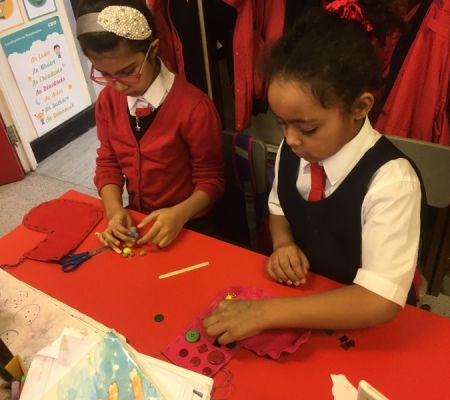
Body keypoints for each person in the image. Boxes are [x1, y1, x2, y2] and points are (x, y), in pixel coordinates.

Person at [203, 6, 422, 345]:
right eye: (282, 123)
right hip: (305, 298)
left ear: (360, 107)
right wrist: (283, 244)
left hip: (364, 323)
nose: (290, 139)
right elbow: (279, 206)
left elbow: (378, 300)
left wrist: (265, 313)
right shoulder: (296, 149)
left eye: (307, 128)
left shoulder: (392, 182)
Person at [76, 0, 224, 251]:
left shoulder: (194, 108)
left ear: (153, 50)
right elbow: (109, 162)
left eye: (128, 71)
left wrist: (179, 214)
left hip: (191, 223)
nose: (118, 85)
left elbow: (212, 180)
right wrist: (114, 209)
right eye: (104, 74)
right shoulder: (108, 101)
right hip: (140, 220)